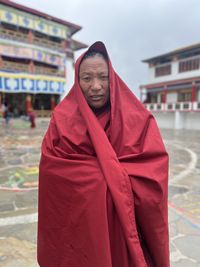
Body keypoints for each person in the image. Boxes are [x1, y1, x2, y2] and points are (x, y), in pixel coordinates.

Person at [37, 41, 169, 267]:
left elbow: (153, 172)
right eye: (87, 78)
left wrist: (104, 177)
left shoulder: (138, 119)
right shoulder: (62, 120)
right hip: (83, 229)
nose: (96, 86)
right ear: (77, 83)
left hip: (126, 230)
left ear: (113, 79)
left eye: (103, 77)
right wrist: (105, 177)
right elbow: (53, 173)